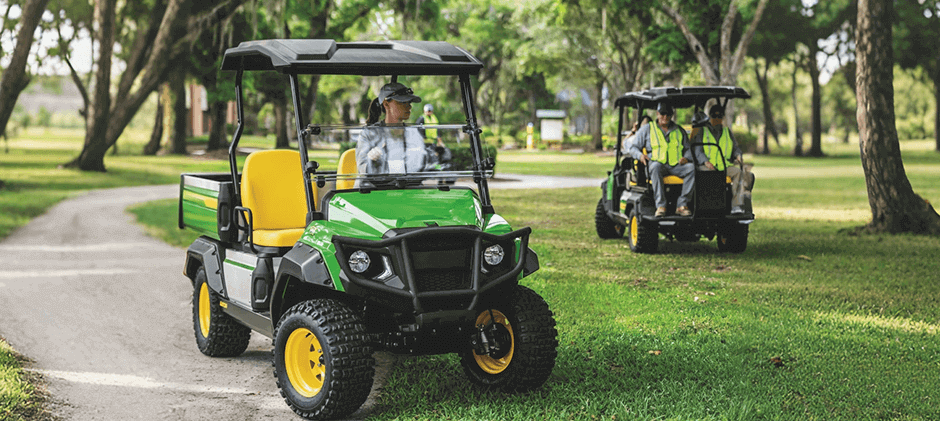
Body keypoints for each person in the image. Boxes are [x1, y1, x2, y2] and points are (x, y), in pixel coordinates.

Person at [629, 102, 695, 217]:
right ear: (657, 114)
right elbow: (633, 147)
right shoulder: (647, 129)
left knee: (691, 168)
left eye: (668, 114)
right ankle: (661, 206)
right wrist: (640, 156)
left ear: (672, 115)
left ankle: (682, 204)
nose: (665, 117)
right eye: (663, 114)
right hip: (657, 165)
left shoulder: (680, 130)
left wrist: (686, 158)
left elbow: (688, 149)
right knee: (655, 167)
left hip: (676, 166)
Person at [356, 82, 428, 176]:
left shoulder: (413, 133)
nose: (409, 106)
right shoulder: (369, 134)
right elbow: (362, 168)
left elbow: (423, 167)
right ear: (386, 104)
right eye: (402, 102)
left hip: (408, 186)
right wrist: (372, 161)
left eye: (409, 102)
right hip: (375, 188)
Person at [691, 104, 748, 214]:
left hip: (723, 166)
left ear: (722, 118)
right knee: (709, 175)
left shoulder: (727, 132)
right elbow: (697, 150)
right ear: (710, 117)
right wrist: (705, 161)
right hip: (706, 166)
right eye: (714, 116)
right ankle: (707, 206)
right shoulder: (702, 131)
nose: (716, 119)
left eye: (719, 117)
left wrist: (738, 155)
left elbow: (735, 148)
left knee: (738, 172)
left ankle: (736, 206)